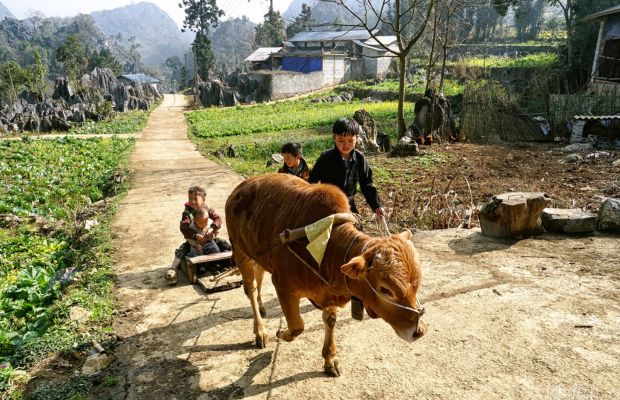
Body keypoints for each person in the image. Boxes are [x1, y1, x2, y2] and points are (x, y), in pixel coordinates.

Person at [309, 118, 385, 218]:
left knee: (356, 231)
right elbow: (312, 182)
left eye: (350, 140)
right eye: (341, 140)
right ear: (334, 137)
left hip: (349, 205)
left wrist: (377, 206)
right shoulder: (326, 158)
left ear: (357, 138)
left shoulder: (360, 158)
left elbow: (367, 185)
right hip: (328, 205)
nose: (346, 145)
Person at [165, 186, 222, 285]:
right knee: (183, 249)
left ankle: (224, 262)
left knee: (223, 244)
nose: (192, 201)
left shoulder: (208, 208)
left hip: (207, 237)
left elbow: (218, 219)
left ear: (203, 200)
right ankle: (173, 268)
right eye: (190, 199)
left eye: (195, 199)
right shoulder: (187, 213)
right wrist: (195, 236)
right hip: (193, 241)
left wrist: (212, 229)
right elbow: (184, 227)